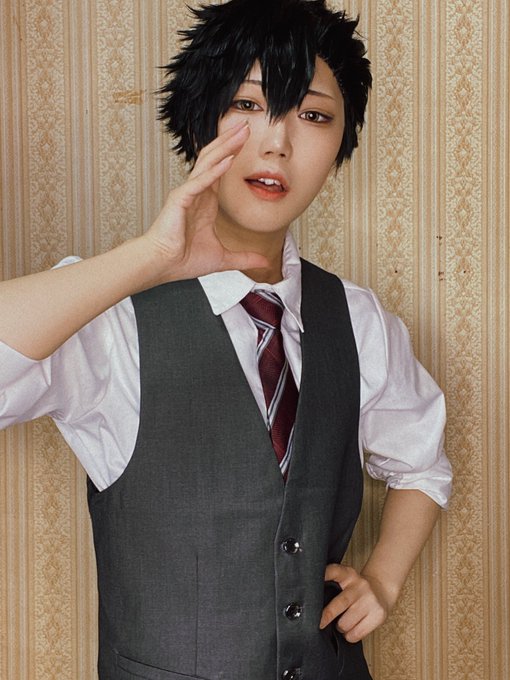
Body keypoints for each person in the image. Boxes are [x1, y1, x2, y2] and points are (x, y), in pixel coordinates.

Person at [0, 1, 452, 678]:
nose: (277, 143)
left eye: (314, 116)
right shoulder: (112, 317)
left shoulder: (356, 319)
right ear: (199, 120)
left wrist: (383, 579)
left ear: (339, 147)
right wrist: (150, 258)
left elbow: (421, 464)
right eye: (247, 104)